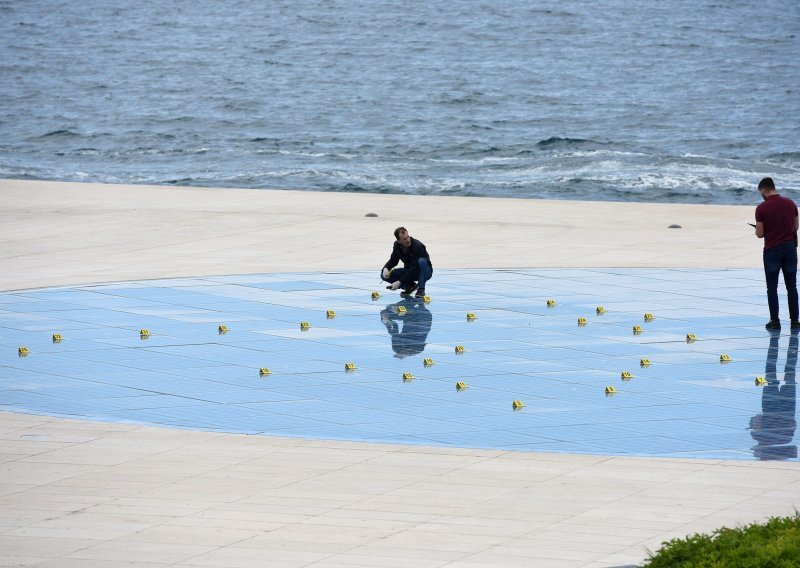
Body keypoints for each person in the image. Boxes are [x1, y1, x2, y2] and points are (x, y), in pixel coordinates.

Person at [755, 177, 799, 330]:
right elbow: (796, 226)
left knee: (772, 288)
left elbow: (760, 234)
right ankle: (795, 321)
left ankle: (775, 322)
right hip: (790, 249)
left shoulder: (761, 208)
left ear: (763, 190)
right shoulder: (790, 203)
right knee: (791, 286)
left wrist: (758, 229)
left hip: (772, 250)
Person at [750, 330, 797, 460]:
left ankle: (788, 343)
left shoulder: (787, 438)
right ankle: (775, 342)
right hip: (771, 406)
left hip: (787, 410)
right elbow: (756, 419)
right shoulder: (757, 436)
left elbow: (793, 423)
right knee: (771, 373)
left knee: (789, 374)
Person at [381, 227, 432, 298]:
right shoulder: (397, 245)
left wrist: (399, 282)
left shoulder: (418, 246)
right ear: (399, 241)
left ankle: (421, 288)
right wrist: (386, 268)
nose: (408, 240)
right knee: (384, 276)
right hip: (410, 271)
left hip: (424, 272)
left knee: (422, 261)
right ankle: (410, 286)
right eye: (404, 239)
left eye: (408, 237)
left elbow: (413, 268)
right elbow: (393, 260)